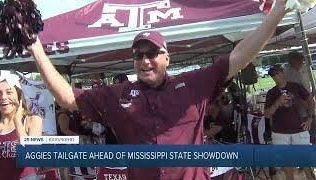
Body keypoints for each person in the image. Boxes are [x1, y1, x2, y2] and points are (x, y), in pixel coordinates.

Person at [28, 1, 289, 179]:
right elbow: (68, 97)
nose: (145, 60)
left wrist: (277, 13)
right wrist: (35, 47)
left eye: (152, 53)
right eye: (138, 55)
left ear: (167, 58)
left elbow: (240, 55)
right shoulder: (117, 95)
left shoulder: (193, 84)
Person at [264, 64, 315, 180]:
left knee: (306, 165)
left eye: (278, 73)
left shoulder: (297, 87)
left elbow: (311, 102)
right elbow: (267, 114)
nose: (276, 76)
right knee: (288, 167)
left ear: (284, 72)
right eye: (273, 74)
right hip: (280, 133)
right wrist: (277, 103)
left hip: (300, 130)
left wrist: (310, 118)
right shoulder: (271, 93)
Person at [0, 73, 43, 179]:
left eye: (9, 92)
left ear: (18, 95)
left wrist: (17, 122)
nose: (3, 97)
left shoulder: (33, 120)